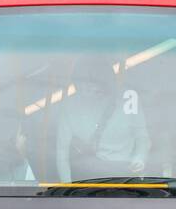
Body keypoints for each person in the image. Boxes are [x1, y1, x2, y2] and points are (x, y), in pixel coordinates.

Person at [54, 54, 150, 182]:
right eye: (81, 83)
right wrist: (66, 187)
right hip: (92, 177)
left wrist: (139, 158)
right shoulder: (69, 106)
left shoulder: (128, 98)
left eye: (91, 83)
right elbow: (61, 151)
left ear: (105, 81)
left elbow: (142, 136)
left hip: (126, 174)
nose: (85, 89)